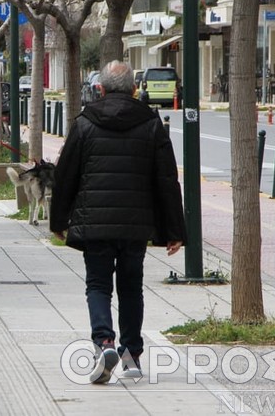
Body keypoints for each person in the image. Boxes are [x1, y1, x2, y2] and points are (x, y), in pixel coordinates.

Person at [50, 60, 186, 384]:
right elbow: (167, 179)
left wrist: (58, 220)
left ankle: (104, 342)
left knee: (98, 284)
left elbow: (65, 176)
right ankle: (132, 357)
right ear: (135, 89)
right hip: (135, 223)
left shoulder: (84, 123)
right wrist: (174, 230)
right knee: (130, 287)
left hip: (94, 221)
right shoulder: (151, 124)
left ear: (100, 88)